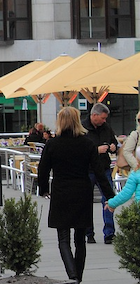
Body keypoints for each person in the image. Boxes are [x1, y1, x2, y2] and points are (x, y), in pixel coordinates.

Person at [38, 106, 116, 283]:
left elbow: (43, 170)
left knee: (63, 238)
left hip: (61, 191)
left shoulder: (52, 144)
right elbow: (99, 172)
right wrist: (110, 195)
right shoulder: (87, 144)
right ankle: (78, 276)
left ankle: (72, 275)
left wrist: (43, 189)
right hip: (82, 190)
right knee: (80, 239)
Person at [82, 102, 117, 244]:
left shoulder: (106, 128)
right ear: (94, 115)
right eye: (102, 118)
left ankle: (109, 233)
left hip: (104, 169)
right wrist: (96, 150)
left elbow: (113, 142)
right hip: (88, 170)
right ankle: (88, 232)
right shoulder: (83, 129)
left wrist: (113, 147)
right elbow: (79, 150)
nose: (104, 121)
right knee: (85, 201)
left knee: (109, 199)